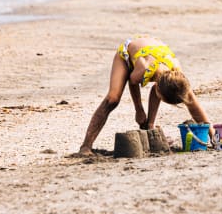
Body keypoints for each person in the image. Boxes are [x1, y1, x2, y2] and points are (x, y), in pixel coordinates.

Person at [78, 36, 209, 155]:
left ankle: (150, 127)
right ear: (158, 88)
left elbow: (193, 105)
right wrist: (139, 110)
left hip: (153, 51)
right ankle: (86, 146)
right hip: (128, 55)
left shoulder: (177, 76)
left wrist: (213, 135)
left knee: (181, 99)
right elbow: (132, 82)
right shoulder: (144, 68)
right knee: (113, 98)